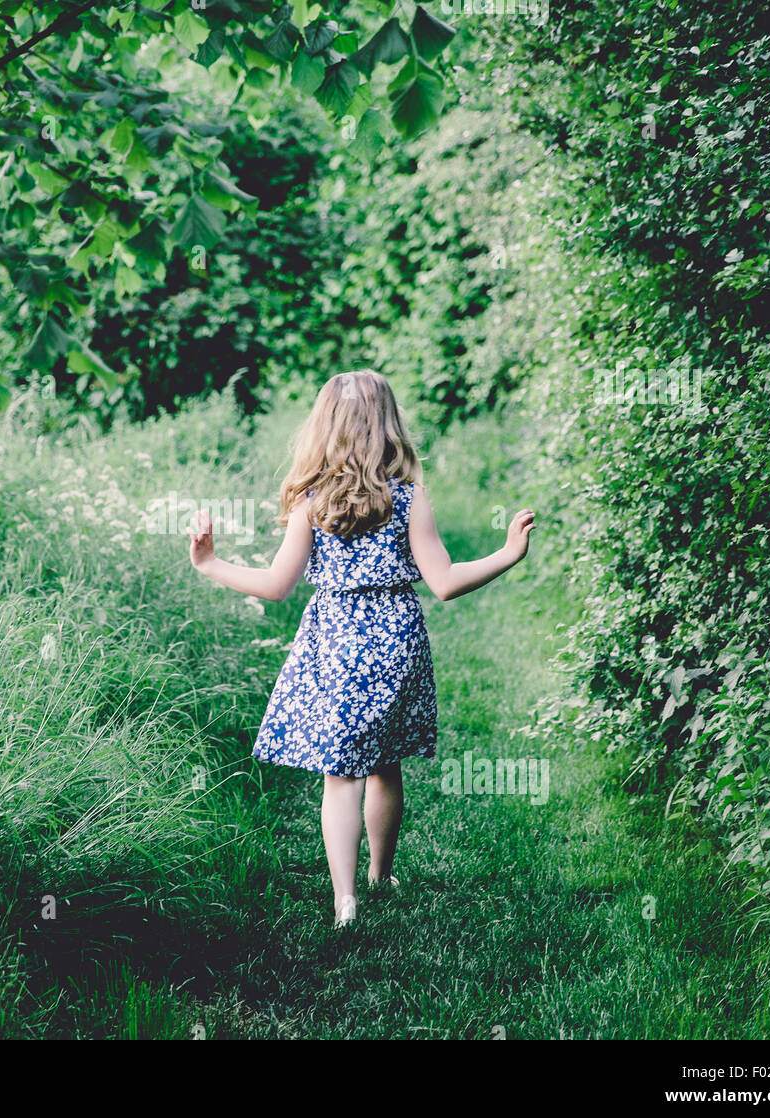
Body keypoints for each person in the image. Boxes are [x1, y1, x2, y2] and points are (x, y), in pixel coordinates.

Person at [188, 369, 536, 927]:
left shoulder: (310, 501)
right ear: (386, 428)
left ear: (323, 428)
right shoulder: (407, 498)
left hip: (335, 642)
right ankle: (380, 873)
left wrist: (210, 563)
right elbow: (444, 582)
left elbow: (277, 585)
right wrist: (506, 554)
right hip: (396, 639)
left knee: (340, 773)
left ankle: (345, 898)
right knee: (384, 762)